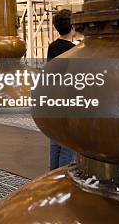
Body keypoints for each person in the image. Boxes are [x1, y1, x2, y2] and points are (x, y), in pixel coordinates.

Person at [47, 9, 76, 170]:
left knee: (55, 142)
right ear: (72, 27)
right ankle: (64, 177)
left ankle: (53, 177)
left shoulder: (52, 47)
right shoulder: (74, 50)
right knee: (68, 144)